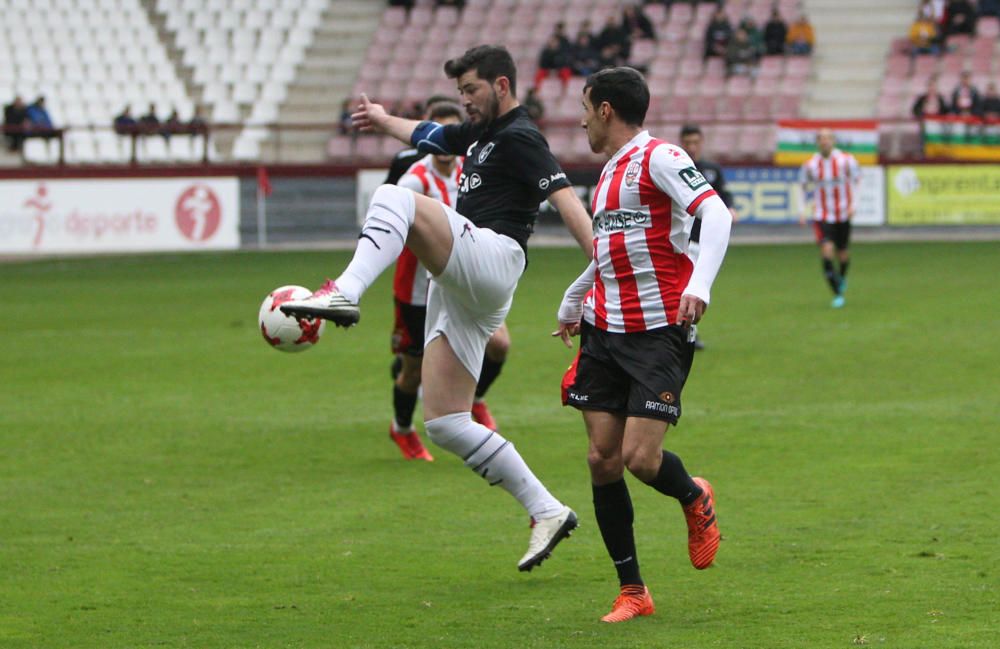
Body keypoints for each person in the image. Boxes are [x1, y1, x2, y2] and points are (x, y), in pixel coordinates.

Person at [281, 45, 595, 572]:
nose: (464, 102)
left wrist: (600, 272)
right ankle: (547, 510)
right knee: (447, 421)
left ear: (500, 86)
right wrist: (382, 120)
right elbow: (427, 135)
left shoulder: (520, 136)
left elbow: (566, 201)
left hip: (494, 257)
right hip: (463, 284)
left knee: (394, 198)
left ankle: (346, 291)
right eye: (458, 93)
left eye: (470, 91)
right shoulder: (479, 134)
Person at [554, 66, 730, 623]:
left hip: (657, 331)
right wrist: (572, 299)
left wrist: (699, 284)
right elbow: (609, 253)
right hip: (604, 328)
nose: (580, 119)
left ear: (605, 109)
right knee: (602, 459)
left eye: (585, 107)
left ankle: (693, 495)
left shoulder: (661, 157)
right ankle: (633, 590)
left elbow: (717, 214)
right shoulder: (606, 175)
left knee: (639, 458)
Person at [388, 101, 510, 460]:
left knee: (499, 344)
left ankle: (475, 399)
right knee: (414, 371)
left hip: (464, 281)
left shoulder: (471, 172)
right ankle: (403, 429)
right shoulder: (414, 179)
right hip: (418, 289)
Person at [678, 124, 737, 350]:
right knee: (687, 286)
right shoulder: (677, 168)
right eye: (688, 142)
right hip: (685, 241)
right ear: (682, 143)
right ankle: (687, 332)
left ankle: (687, 331)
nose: (692, 147)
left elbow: (724, 193)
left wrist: (730, 207)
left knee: (695, 287)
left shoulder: (712, 170)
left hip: (706, 242)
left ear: (701, 142)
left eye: (695, 142)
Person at [798, 128, 860, 309]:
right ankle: (837, 294)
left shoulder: (846, 160)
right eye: (821, 139)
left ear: (833, 141)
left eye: (828, 138)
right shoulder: (810, 164)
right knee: (827, 250)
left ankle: (841, 277)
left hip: (842, 213)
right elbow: (802, 187)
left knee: (843, 254)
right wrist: (802, 211)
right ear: (817, 142)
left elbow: (857, 181)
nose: (825, 141)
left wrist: (853, 205)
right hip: (822, 215)